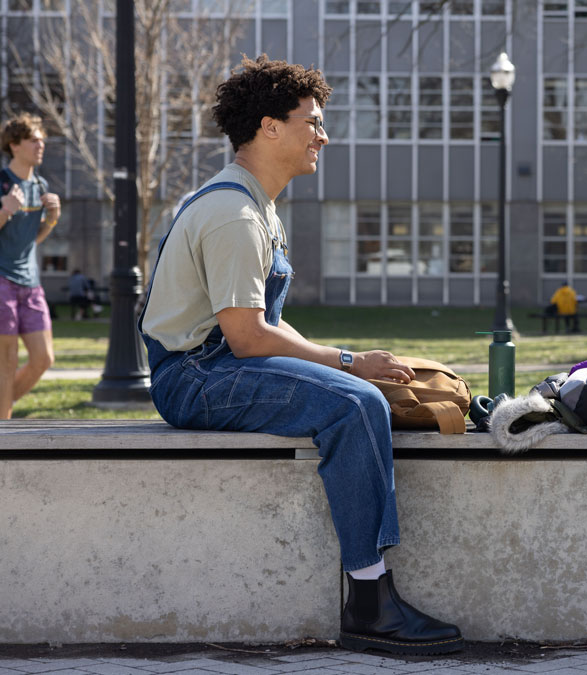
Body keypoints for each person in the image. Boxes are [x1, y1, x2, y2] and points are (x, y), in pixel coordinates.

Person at [139, 55, 463, 655]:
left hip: (216, 365)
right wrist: (348, 362)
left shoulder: (255, 204)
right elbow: (248, 337)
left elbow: (263, 327)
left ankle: (373, 595)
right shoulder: (234, 214)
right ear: (269, 127)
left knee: (362, 395)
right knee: (357, 403)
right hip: (196, 377)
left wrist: (343, 362)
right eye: (311, 122)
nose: (323, 134)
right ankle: (371, 602)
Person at [0, 113, 61, 419]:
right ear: (14, 145)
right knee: (7, 362)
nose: (41, 144)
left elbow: (31, 240)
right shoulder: (2, 183)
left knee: (43, 359)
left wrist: (51, 220)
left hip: (30, 282)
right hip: (2, 281)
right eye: (33, 139)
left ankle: (1, 410)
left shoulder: (40, 184)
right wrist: (5, 210)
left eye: (42, 138)